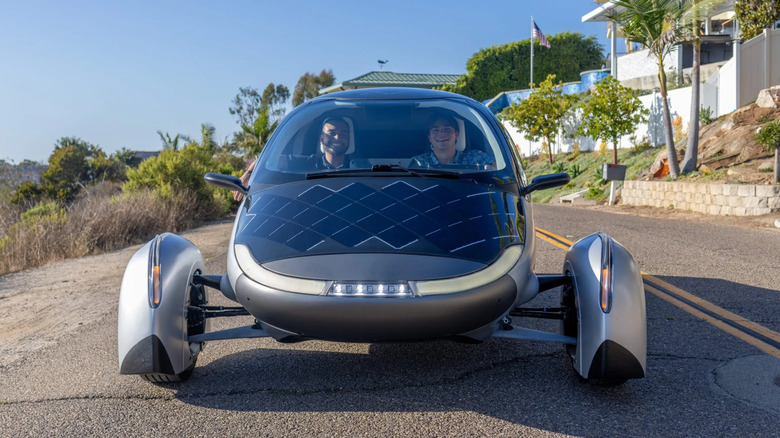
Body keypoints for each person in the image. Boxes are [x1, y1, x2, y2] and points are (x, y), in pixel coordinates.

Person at [233, 117, 352, 201]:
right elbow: (269, 160)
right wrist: (248, 174)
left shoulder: (363, 166)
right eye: (331, 133)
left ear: (349, 140)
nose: (337, 138)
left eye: (343, 134)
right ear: (321, 139)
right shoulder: (307, 163)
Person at [411, 113, 493, 169]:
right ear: (429, 137)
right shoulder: (419, 163)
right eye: (435, 130)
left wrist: (490, 170)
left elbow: (499, 172)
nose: (442, 133)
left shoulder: (476, 158)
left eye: (447, 129)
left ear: (456, 134)